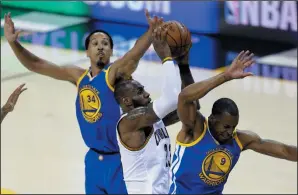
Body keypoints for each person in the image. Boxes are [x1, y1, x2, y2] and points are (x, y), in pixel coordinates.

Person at [3, 10, 163, 194]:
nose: (100, 47)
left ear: (111, 51)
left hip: (121, 160)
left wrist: (151, 32)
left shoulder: (114, 74)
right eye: (95, 44)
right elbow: (36, 65)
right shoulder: (78, 77)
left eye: (105, 44)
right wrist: (13, 42)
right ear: (87, 51)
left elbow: (132, 56)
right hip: (93, 160)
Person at [169, 51, 298, 194]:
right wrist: (225, 76)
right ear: (212, 119)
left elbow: (284, 151)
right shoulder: (195, 129)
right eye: (226, 126)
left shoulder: (240, 140)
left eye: (233, 127)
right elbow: (185, 97)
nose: (230, 132)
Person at [114, 26, 195, 194]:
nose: (147, 93)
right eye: (139, 92)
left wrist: (183, 66)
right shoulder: (131, 121)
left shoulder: (151, 120)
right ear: (127, 101)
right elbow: (172, 99)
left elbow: (191, 106)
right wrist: (166, 58)